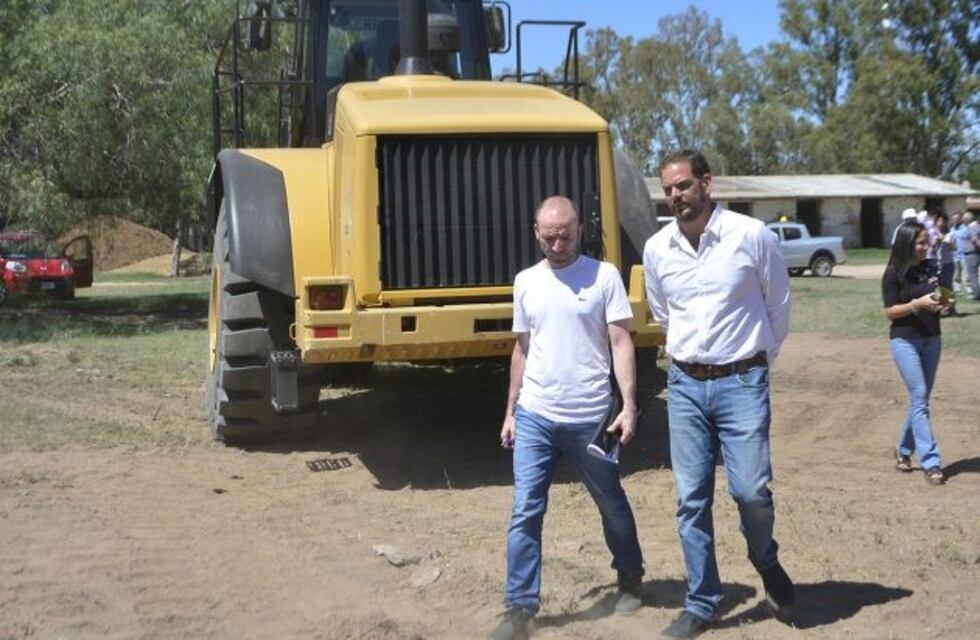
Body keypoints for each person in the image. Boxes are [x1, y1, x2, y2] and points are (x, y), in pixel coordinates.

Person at [643, 149, 794, 639]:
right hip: (685, 385)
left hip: (742, 381)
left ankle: (764, 558)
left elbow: (778, 307)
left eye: (683, 186)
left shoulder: (752, 236)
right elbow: (664, 315)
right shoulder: (657, 248)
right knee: (690, 499)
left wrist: (752, 364)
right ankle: (703, 601)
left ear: (707, 183)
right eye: (668, 190)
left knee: (750, 491)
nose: (675, 197)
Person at [489, 196, 645, 640]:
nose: (557, 244)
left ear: (580, 230)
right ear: (536, 232)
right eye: (549, 235)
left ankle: (630, 575)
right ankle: (520, 607)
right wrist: (511, 411)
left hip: (591, 418)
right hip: (536, 415)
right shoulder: (525, 282)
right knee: (525, 510)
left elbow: (621, 343)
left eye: (566, 234)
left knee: (610, 502)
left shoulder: (604, 276)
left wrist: (629, 405)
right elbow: (522, 348)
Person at [882, 221, 954, 485]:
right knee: (920, 398)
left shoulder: (931, 267)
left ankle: (903, 451)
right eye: (921, 243)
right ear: (907, 244)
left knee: (918, 401)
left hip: (932, 339)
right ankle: (931, 461)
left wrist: (945, 302)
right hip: (905, 342)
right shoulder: (892, 273)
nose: (926, 247)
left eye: (927, 242)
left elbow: (940, 296)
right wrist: (916, 305)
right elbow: (889, 311)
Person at [952, 212, 979, 300]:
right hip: (960, 254)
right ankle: (962, 292)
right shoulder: (952, 229)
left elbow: (974, 240)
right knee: (959, 275)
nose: (954, 220)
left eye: (963, 218)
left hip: (968, 254)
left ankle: (974, 294)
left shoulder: (969, 228)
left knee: (970, 276)